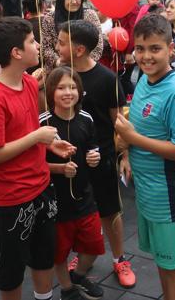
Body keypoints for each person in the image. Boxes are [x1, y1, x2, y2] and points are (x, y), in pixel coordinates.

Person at [0, 17, 76, 300]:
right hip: (12, 197)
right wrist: (36, 138)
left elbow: (28, 131)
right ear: (16, 53)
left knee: (45, 256)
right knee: (13, 268)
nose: (38, 46)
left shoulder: (30, 85)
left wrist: (51, 144)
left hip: (42, 188)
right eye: (32, 41)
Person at [112, 13, 175, 300]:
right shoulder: (145, 81)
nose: (146, 56)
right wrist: (126, 153)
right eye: (140, 49)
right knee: (164, 262)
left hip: (170, 195)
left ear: (171, 49)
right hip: (149, 192)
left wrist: (134, 139)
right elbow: (136, 131)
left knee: (174, 265)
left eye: (155, 49)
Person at [55, 20, 135, 287]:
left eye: (61, 42)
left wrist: (124, 156)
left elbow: (119, 121)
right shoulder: (61, 75)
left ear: (78, 49)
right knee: (77, 211)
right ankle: (83, 255)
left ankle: (120, 258)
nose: (56, 46)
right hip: (70, 160)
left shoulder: (107, 78)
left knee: (110, 211)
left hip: (102, 157)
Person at [41, 68, 105, 300]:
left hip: (84, 197)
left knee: (93, 246)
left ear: (80, 90)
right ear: (50, 92)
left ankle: (78, 275)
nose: (68, 92)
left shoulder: (86, 119)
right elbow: (32, 165)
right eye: (61, 88)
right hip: (55, 202)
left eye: (72, 87)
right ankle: (67, 288)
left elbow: (93, 148)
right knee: (59, 253)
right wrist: (59, 169)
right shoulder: (43, 123)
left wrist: (94, 157)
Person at [41, 0, 103, 72]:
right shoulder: (49, 18)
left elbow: (98, 45)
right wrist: (58, 62)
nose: (74, 1)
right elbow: (46, 47)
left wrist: (82, 63)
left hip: (85, 68)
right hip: (58, 70)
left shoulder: (89, 15)